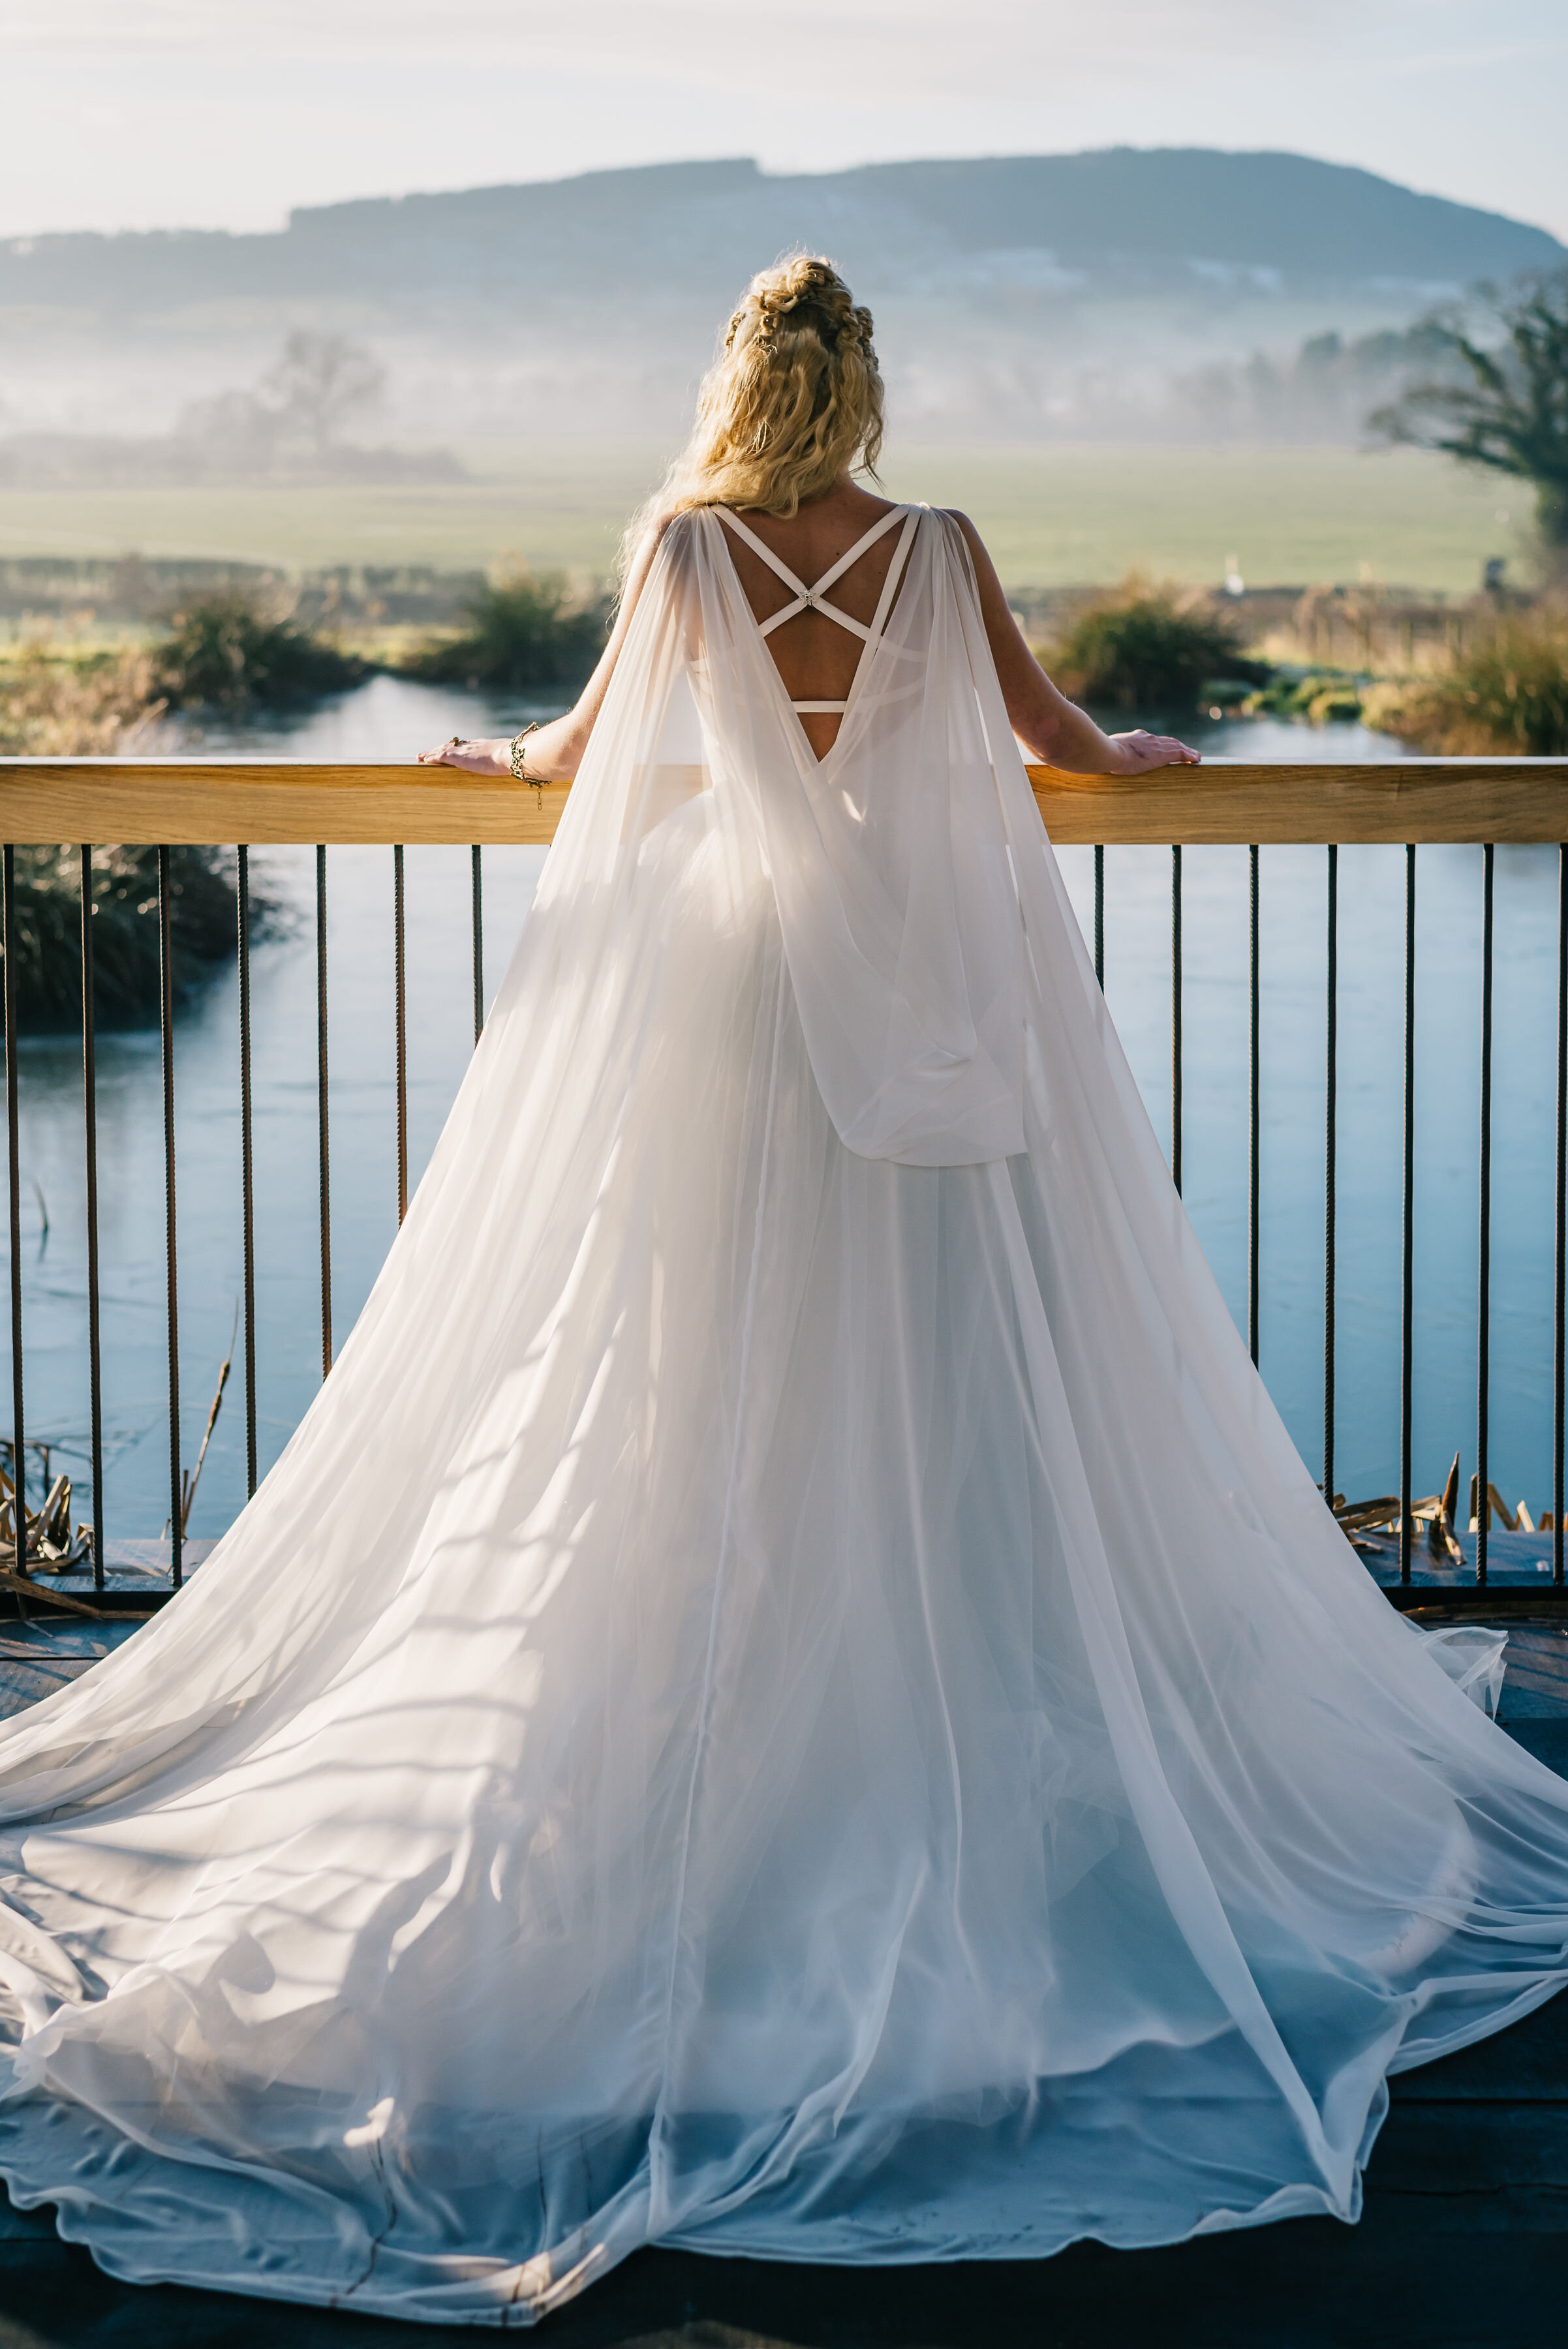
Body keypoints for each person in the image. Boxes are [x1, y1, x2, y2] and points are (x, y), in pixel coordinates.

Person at [0, 257, 1562, 2329]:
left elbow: (579, 758)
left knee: (691, 1358)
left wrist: (489, 758)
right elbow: (1060, 742)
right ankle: (932, 1700)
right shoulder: (936, 547)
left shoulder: (686, 549)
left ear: (740, 380)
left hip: (732, 994)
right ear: (867, 387)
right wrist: (1147, 752)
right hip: (925, 1001)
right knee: (943, 1368)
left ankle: (718, 1715)